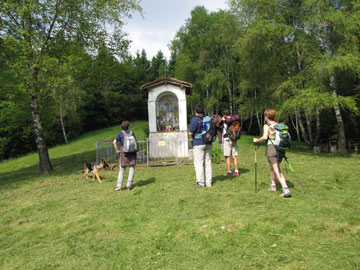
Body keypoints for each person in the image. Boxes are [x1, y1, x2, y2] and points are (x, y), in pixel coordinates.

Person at [253, 109, 291, 197]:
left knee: (277, 169)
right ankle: (273, 186)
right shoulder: (279, 125)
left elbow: (265, 137)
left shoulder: (267, 126)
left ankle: (285, 189)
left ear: (267, 117)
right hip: (280, 149)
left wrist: (257, 140)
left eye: (265, 116)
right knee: (272, 167)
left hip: (272, 149)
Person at [188, 104, 212, 188]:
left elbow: (190, 132)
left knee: (199, 163)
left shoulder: (195, 119)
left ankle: (201, 183)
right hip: (208, 142)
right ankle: (209, 183)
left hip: (198, 143)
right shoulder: (207, 119)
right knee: (208, 163)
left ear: (195, 111)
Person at [113, 120, 137, 191]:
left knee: (122, 169)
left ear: (122, 127)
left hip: (123, 153)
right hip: (132, 153)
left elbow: (114, 142)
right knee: (132, 168)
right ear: (128, 126)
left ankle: (119, 186)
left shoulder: (120, 134)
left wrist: (117, 150)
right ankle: (129, 185)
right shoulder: (132, 133)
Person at [222, 109, 240, 177]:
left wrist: (223, 119)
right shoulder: (235, 120)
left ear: (224, 115)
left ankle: (229, 171)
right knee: (234, 156)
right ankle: (236, 171)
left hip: (227, 139)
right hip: (234, 139)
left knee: (227, 156)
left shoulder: (225, 121)